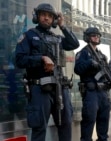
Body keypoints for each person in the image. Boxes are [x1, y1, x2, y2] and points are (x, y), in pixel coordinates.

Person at [15, 3, 79, 141]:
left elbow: (74, 44)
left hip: (60, 88)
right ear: (37, 17)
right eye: (43, 15)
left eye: (50, 16)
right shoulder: (29, 36)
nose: (46, 18)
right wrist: (41, 59)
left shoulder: (58, 38)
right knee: (39, 128)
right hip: (39, 89)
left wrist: (62, 26)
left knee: (66, 124)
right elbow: (19, 60)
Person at [74, 27, 111, 141]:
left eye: (98, 36)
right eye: (93, 35)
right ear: (87, 37)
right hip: (91, 92)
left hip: (103, 92)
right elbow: (77, 69)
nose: (97, 37)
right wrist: (90, 63)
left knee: (104, 119)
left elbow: (109, 71)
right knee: (89, 120)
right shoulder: (83, 53)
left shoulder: (102, 55)